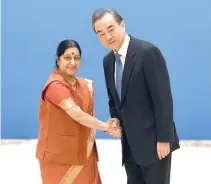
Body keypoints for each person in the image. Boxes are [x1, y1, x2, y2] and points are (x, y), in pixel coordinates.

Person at [92, 9, 180, 184]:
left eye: (111, 29)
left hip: (155, 143)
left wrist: (164, 139)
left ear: (122, 24)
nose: (107, 37)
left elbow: (163, 99)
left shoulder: (148, 52)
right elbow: (114, 99)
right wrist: (115, 119)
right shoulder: (108, 61)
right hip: (130, 145)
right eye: (101, 33)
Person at [35, 39, 121, 184]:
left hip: (84, 152)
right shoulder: (54, 86)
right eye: (67, 58)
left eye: (77, 58)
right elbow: (79, 116)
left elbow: (88, 115)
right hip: (59, 156)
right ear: (58, 59)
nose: (73, 63)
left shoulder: (84, 85)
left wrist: (113, 121)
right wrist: (107, 128)